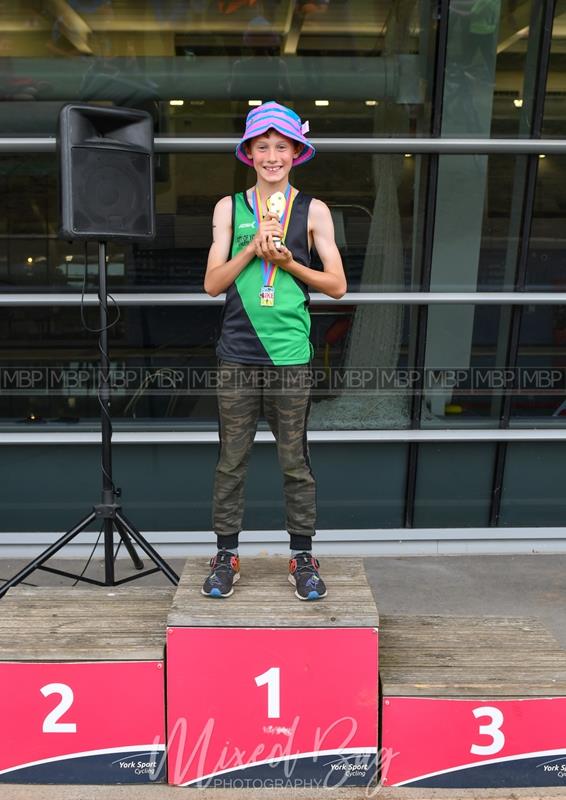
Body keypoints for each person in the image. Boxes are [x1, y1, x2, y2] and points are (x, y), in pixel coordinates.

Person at [202, 101, 346, 600]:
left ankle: (302, 556)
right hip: (237, 356)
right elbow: (211, 283)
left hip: (290, 356)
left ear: (295, 153)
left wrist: (288, 264)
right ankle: (226, 556)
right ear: (249, 153)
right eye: (262, 147)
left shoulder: (314, 209)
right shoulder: (229, 207)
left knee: (294, 462)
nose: (271, 156)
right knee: (231, 461)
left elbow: (337, 286)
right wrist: (250, 249)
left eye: (280, 147)